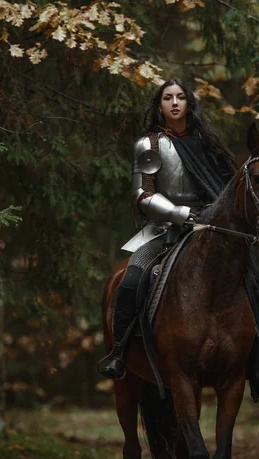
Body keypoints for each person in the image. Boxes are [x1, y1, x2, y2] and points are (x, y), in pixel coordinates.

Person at [98, 78, 236, 379]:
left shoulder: (208, 144)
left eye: (181, 97)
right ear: (159, 106)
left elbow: (226, 189)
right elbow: (143, 195)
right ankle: (120, 352)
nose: (174, 102)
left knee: (244, 276)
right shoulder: (150, 145)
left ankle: (252, 354)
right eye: (167, 98)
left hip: (209, 228)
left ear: (189, 103)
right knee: (131, 279)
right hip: (162, 231)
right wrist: (181, 213)